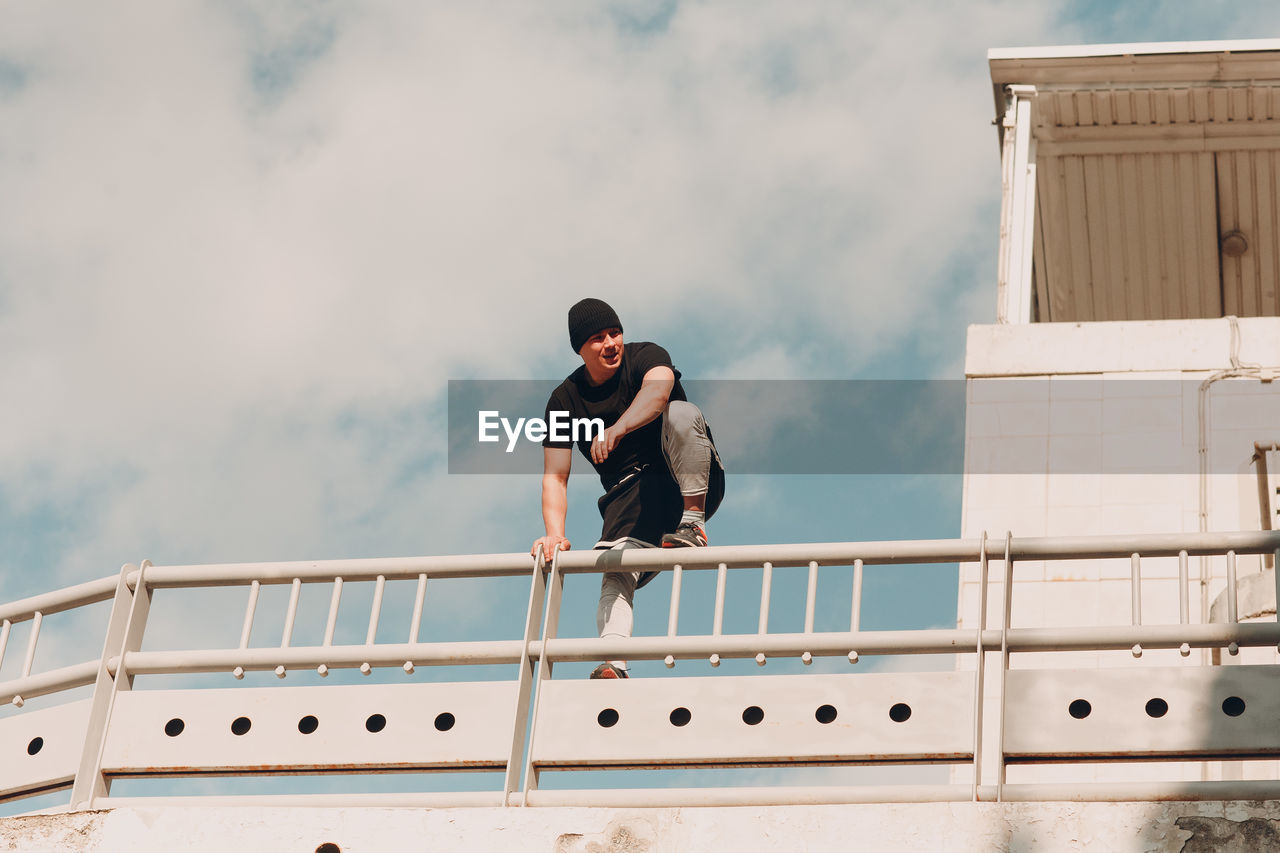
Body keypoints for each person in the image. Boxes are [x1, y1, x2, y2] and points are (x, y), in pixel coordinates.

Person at [530, 298, 725, 679]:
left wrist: (618, 428)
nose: (610, 344)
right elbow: (555, 476)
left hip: (683, 474)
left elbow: (657, 395)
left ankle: (693, 523)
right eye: (598, 338)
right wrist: (555, 535)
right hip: (632, 496)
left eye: (615, 333)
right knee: (615, 569)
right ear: (581, 349)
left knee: (683, 413)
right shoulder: (564, 400)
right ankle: (613, 663)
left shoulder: (646, 356)